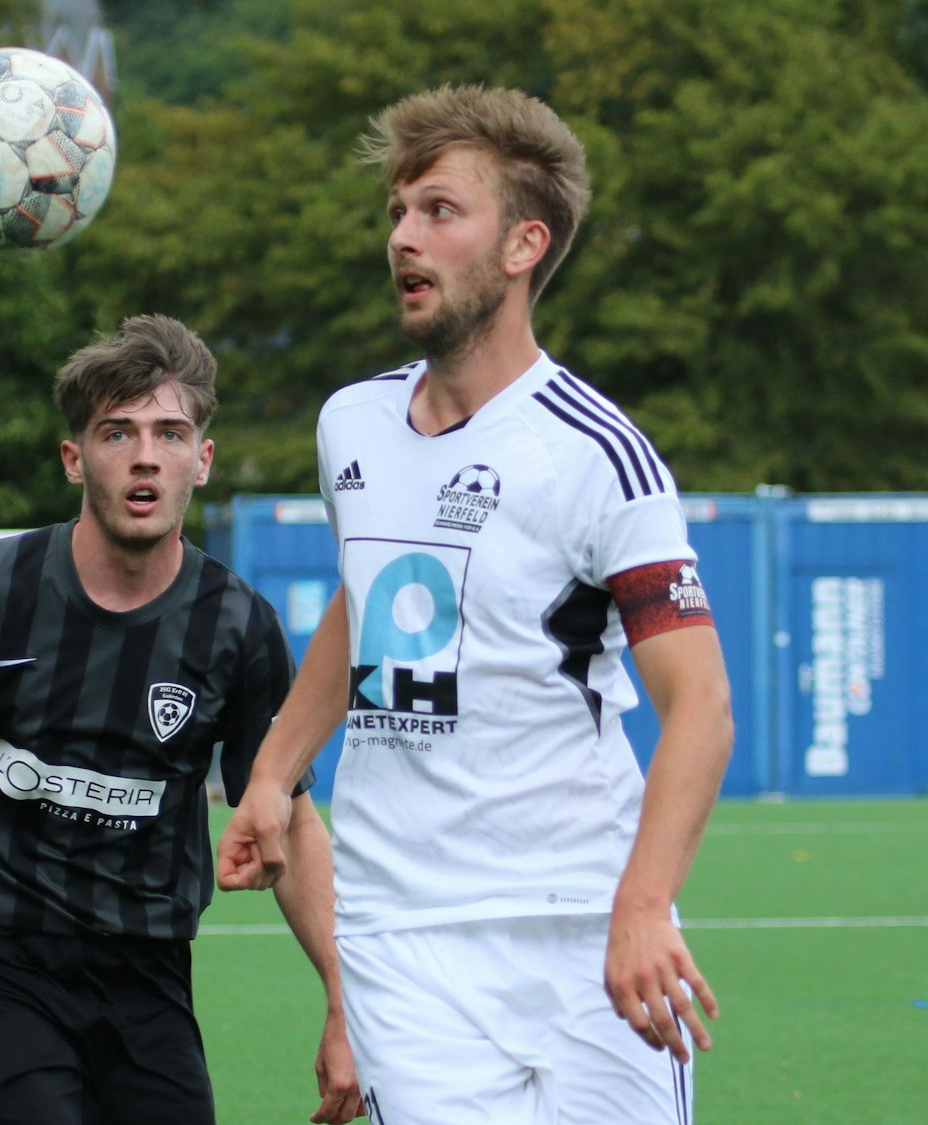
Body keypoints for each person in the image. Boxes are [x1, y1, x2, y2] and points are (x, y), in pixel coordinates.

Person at [215, 86, 735, 1124]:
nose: (403, 237)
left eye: (439, 211)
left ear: (520, 246)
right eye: (397, 212)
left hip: (580, 919)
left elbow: (701, 709)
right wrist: (272, 775)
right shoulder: (349, 423)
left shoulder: (597, 455)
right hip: (398, 931)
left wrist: (639, 906)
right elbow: (371, 603)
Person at [0, 314, 361, 1125]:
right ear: (75, 457)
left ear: (201, 461)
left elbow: (292, 812)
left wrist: (345, 1003)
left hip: (147, 972)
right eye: (117, 432)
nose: (146, 454)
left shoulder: (237, 625)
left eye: (171, 433)